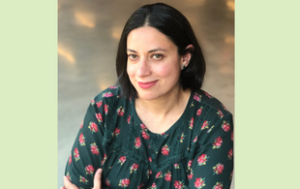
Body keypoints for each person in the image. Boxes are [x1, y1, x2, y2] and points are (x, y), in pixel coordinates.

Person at [62, 3, 233, 189]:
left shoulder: (212, 123)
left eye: (156, 56)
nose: (141, 72)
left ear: (185, 57)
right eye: (133, 56)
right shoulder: (106, 107)